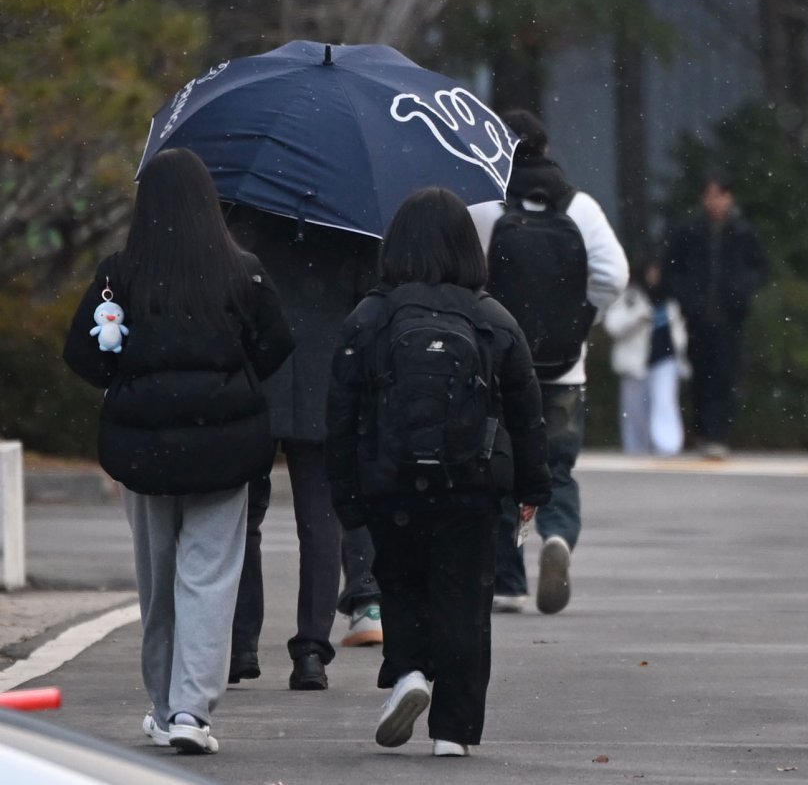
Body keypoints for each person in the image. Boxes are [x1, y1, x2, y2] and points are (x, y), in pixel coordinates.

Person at [62, 148, 294, 754]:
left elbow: (83, 356)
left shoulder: (120, 273)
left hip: (142, 450)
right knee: (210, 579)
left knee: (157, 578)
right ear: (206, 203)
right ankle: (192, 711)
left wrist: (127, 369)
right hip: (226, 446)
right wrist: (233, 379)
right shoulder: (243, 271)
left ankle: (164, 706)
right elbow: (277, 345)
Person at [326, 187, 550, 756]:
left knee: (401, 585)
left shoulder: (370, 316)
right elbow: (526, 412)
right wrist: (532, 487)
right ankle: (453, 731)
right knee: (465, 601)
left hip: (391, 479)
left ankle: (409, 675)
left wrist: (347, 495)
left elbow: (342, 416)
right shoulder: (492, 318)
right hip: (470, 485)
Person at [471, 108, 629, 615]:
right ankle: (557, 534)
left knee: (499, 467)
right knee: (555, 468)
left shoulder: (483, 206)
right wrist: (579, 320)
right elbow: (614, 276)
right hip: (563, 370)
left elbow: (464, 276)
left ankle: (507, 581)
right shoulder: (579, 207)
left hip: (497, 366)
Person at [222, 208, 384, 693]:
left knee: (243, 518)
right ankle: (311, 652)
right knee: (320, 524)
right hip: (326, 382)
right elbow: (368, 303)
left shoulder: (244, 215)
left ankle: (240, 645)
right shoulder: (351, 218)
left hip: (256, 380)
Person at [662, 168, 768, 459]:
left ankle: (719, 434)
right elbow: (672, 268)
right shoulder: (690, 230)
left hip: (730, 317)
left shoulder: (743, 231)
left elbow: (760, 268)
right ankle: (703, 432)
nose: (715, 202)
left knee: (725, 375)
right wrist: (687, 298)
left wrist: (741, 292)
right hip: (697, 317)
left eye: (721, 195)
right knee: (700, 376)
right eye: (710, 196)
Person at [604, 257, 690, 456]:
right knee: (634, 410)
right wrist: (637, 317)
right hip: (634, 362)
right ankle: (635, 449)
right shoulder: (630, 296)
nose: (655, 276)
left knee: (665, 402)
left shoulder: (670, 298)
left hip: (664, 359)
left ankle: (667, 447)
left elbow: (678, 329)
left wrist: (680, 350)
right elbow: (613, 326)